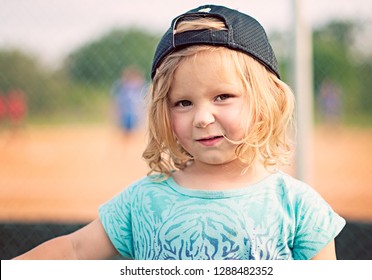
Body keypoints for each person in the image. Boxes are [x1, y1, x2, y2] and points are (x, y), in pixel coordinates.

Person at [13, 4, 345, 260]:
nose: (202, 117)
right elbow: (74, 249)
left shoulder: (298, 207)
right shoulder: (142, 200)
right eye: (183, 103)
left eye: (222, 97)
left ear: (265, 102)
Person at [111, 66, 145, 138]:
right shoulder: (123, 88)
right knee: (126, 131)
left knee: (134, 130)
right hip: (127, 113)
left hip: (133, 113)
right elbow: (119, 102)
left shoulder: (137, 88)